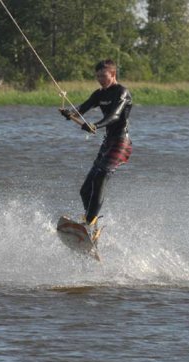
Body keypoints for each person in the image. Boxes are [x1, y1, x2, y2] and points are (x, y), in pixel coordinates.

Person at [59, 59, 133, 240]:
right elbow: (83, 108)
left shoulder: (122, 92)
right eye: (98, 76)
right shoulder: (99, 94)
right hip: (108, 143)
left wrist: (95, 125)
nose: (100, 79)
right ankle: (92, 227)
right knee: (85, 190)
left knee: (101, 177)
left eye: (104, 76)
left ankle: (90, 222)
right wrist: (70, 113)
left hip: (121, 143)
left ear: (113, 74)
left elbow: (115, 116)